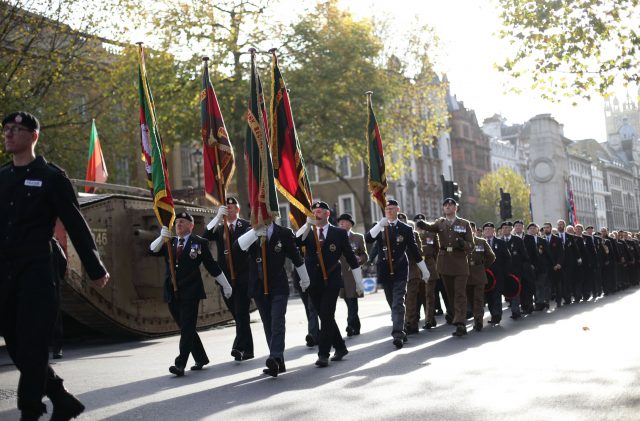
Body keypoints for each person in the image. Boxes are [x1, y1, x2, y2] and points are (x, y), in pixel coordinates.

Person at [0, 111, 110, 420]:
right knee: (19, 347)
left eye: (16, 130)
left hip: (38, 270)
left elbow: (75, 223)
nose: (8, 134)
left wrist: (94, 266)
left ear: (34, 136)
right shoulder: (3, 177)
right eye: (6, 129)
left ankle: (30, 412)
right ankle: (61, 397)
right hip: (6, 274)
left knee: (33, 345)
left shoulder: (51, 177)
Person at [149, 211, 232, 377]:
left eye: (183, 222)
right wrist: (160, 237)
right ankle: (201, 358)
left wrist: (226, 285)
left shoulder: (199, 243)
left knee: (187, 327)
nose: (178, 224)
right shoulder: (169, 242)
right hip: (172, 291)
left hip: (191, 291)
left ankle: (180, 364)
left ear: (191, 226)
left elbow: (212, 266)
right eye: (177, 221)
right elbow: (152, 251)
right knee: (186, 328)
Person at [236, 218, 309, 377]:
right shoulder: (251, 232)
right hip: (258, 286)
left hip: (278, 286)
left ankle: (275, 356)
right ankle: (278, 362)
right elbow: (237, 247)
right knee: (268, 323)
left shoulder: (283, 233)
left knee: (277, 321)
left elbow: (296, 257)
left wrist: (305, 278)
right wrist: (254, 233)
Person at [297, 201, 363, 366]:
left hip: (332, 279)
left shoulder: (339, 233)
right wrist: (306, 225)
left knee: (326, 315)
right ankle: (340, 347)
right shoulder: (308, 231)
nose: (316, 214)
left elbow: (350, 257)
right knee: (324, 315)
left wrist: (359, 282)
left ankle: (323, 354)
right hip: (313, 280)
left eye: (320, 211)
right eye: (314, 211)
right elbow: (296, 243)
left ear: (327, 214)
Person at [367, 200, 429, 347]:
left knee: (398, 303)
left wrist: (424, 270)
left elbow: (414, 251)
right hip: (384, 270)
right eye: (387, 209)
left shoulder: (405, 229)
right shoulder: (380, 227)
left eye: (392, 209)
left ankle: (397, 334)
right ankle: (400, 327)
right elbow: (368, 239)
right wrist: (379, 225)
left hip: (400, 268)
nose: (389, 211)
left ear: (397, 210)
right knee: (391, 302)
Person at [203, 197, 254, 362]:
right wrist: (217, 217)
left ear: (238, 210)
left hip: (243, 277)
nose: (229, 209)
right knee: (238, 315)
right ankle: (248, 350)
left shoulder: (246, 226)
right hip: (225, 279)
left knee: (240, 313)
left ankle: (238, 347)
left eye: (232, 207)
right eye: (227, 207)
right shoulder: (219, 228)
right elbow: (205, 237)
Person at [416, 198, 472, 336]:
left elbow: (471, 246)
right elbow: (429, 227)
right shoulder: (439, 223)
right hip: (445, 263)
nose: (448, 207)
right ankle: (455, 316)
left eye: (451, 205)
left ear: (455, 208)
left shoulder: (464, 224)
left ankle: (460, 323)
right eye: (445, 205)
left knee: (459, 293)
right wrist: (421, 224)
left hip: (459, 262)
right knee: (451, 294)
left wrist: (462, 244)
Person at [337, 213, 368, 337]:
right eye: (340, 222)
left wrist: (359, 259)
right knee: (348, 301)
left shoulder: (358, 238)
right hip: (340, 274)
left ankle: (350, 325)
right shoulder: (335, 237)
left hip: (353, 275)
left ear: (350, 224)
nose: (341, 224)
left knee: (352, 301)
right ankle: (356, 326)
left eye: (344, 222)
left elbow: (365, 255)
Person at [466, 222, 495, 331]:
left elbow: (491, 257)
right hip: (466, 275)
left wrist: (483, 266)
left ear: (474, 230)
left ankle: (478, 321)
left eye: (471, 229)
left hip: (479, 274)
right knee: (470, 299)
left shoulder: (481, 242)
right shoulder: (462, 243)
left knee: (479, 299)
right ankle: (475, 316)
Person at [414, 213, 440, 330]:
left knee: (429, 294)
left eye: (421, 222)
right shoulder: (412, 235)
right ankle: (416, 319)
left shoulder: (432, 235)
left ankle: (429, 319)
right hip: (416, 268)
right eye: (417, 223)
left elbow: (437, 251)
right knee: (419, 295)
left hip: (429, 265)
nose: (419, 225)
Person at [399, 214, 424, 335]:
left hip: (412, 272)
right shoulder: (391, 235)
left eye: (403, 220)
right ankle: (405, 322)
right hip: (399, 273)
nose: (401, 222)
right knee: (401, 301)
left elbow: (419, 252)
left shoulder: (414, 234)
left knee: (411, 300)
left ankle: (410, 323)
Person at [482, 222, 511, 325]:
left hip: (498, 274)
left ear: (494, 231)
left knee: (496, 295)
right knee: (489, 296)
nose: (488, 231)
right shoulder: (480, 243)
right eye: (486, 230)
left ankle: (497, 315)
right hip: (485, 275)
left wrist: (505, 272)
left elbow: (508, 258)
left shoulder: (501, 242)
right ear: (483, 232)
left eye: (490, 229)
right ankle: (493, 314)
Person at [524, 223, 552, 311]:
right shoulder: (525, 240)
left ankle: (542, 302)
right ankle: (539, 302)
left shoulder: (542, 240)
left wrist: (551, 264)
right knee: (535, 286)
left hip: (542, 267)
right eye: (530, 228)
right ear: (528, 230)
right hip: (532, 267)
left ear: (537, 230)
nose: (532, 230)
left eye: (534, 228)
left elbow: (548, 254)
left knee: (541, 284)